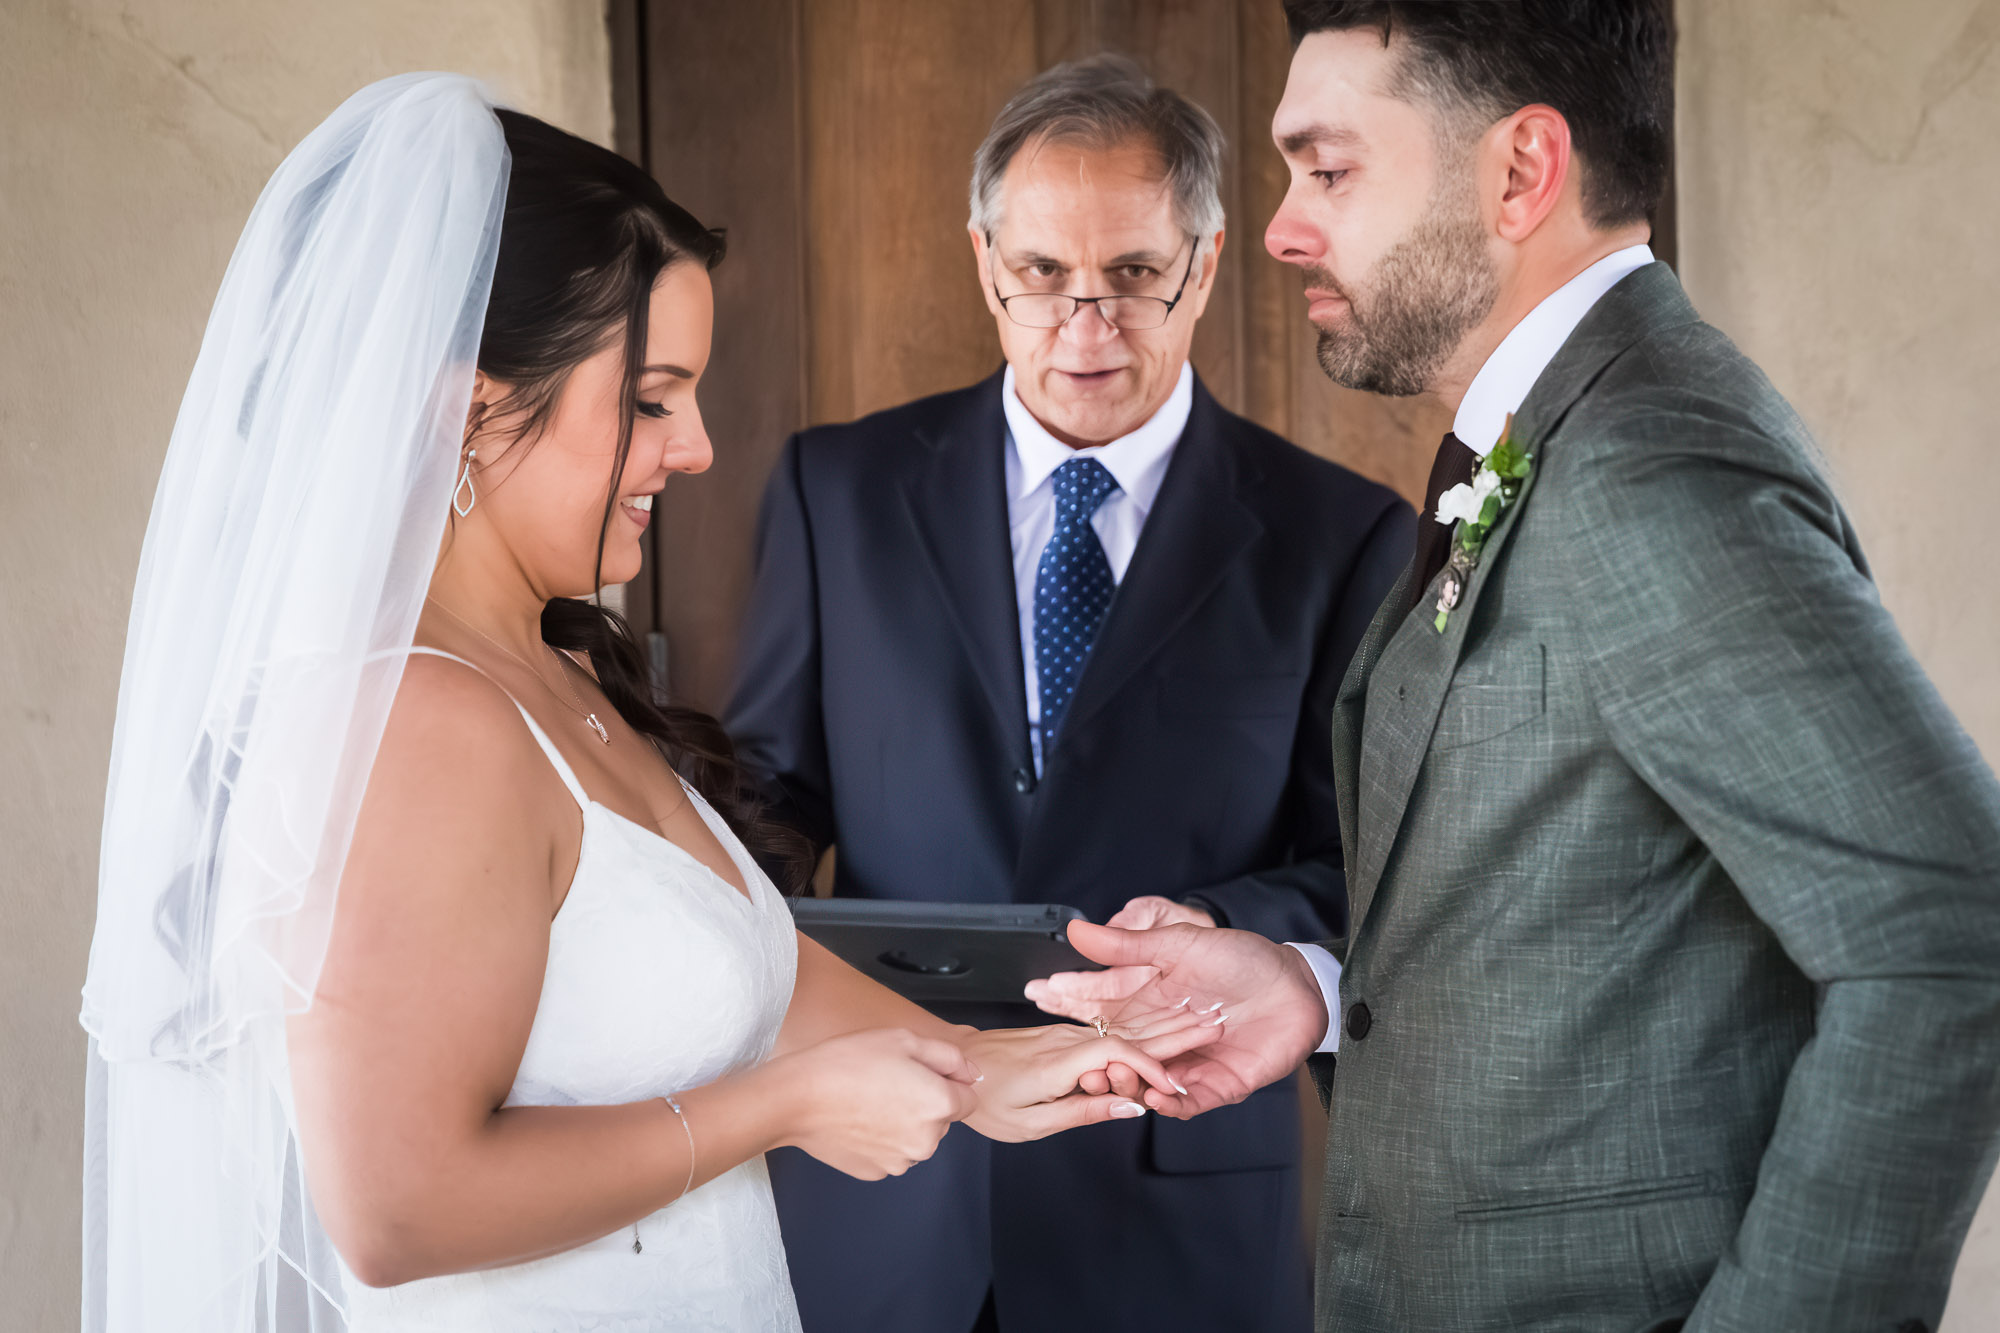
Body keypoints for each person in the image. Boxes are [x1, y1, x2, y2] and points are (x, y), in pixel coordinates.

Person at [78, 74, 1203, 1333]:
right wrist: (782, 1108)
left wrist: (981, 1065)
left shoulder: (560, 675)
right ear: (474, 409)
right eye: (653, 398)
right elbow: (396, 1207)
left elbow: (740, 967)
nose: (698, 446)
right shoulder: (419, 724)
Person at [1030, 4, 2000, 1331]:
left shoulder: (1651, 469)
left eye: (1329, 168)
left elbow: (1947, 937)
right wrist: (1314, 986)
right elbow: (1578, 909)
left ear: (1520, 173)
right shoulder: (1551, 428)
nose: (1279, 227)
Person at [726, 55, 1412, 1333]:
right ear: (986, 260)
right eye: (1043, 275)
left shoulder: (1345, 536)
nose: (1083, 324)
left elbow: (1363, 864)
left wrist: (1203, 924)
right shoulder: (839, 491)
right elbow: (762, 800)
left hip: (1177, 1208)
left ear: (1202, 266)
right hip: (884, 1190)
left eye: (1133, 275)